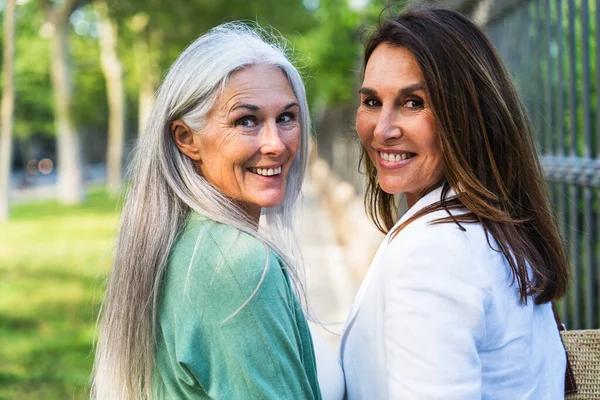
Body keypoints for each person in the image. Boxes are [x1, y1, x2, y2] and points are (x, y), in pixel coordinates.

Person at [91, 23, 344, 400]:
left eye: (287, 117)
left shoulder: (188, 242)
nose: (275, 143)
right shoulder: (236, 265)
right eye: (247, 121)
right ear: (186, 139)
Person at [341, 7, 570, 399]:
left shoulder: (432, 256)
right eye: (372, 101)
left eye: (413, 102)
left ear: (466, 112)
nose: (383, 129)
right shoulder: (500, 231)